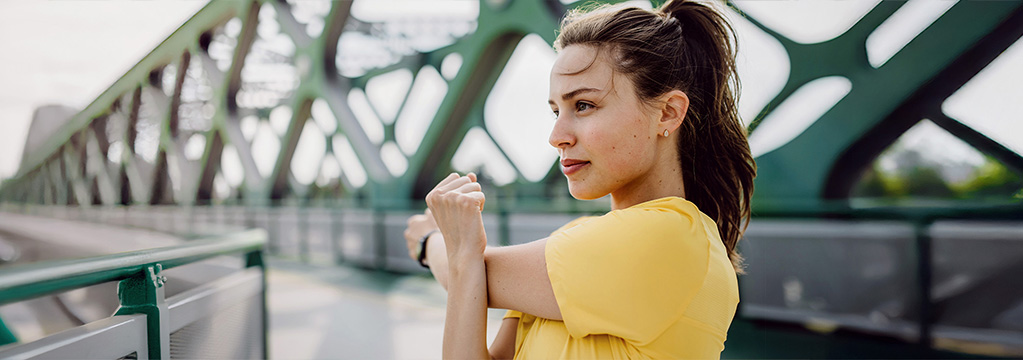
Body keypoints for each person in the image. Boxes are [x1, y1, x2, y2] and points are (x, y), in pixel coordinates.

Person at [404, 0, 755, 358]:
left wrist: (431, 241)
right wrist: (459, 253)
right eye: (556, 110)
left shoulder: (671, 237)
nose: (557, 136)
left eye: (583, 105)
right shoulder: (574, 247)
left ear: (667, 113)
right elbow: (470, 277)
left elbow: (473, 272)